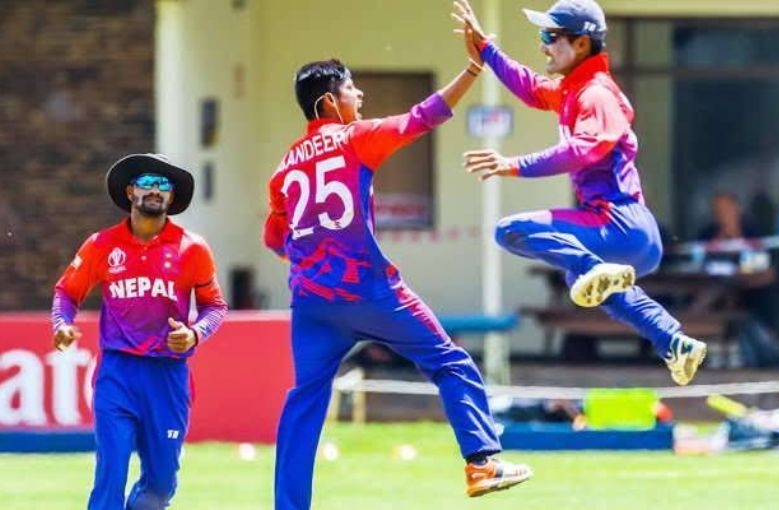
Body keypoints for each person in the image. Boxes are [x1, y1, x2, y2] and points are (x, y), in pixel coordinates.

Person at [264, 33, 530, 510]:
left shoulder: (283, 169)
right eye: (352, 88)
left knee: (304, 402)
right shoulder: (356, 137)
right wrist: (473, 69)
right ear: (329, 102)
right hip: (370, 291)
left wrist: (314, 260)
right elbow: (423, 116)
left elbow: (275, 239)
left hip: (312, 303)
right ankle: (482, 462)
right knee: (450, 363)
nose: (360, 95)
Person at [452, 0, 706, 385]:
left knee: (511, 230)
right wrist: (486, 50)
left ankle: (595, 267)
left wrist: (513, 164)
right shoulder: (574, 90)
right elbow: (531, 89)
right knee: (579, 280)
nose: (543, 45)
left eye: (550, 36)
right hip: (629, 236)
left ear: (582, 44)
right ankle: (672, 340)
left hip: (619, 225)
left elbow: (583, 149)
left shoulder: (596, 93)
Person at [51, 153, 228, 509]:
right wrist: (62, 324)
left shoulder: (192, 248)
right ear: (131, 191)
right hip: (118, 373)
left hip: (168, 375)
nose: (155, 190)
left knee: (160, 486)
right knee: (111, 475)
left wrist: (194, 333)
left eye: (164, 185)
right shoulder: (102, 245)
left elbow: (215, 306)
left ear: (172, 197)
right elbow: (66, 293)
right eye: (147, 183)